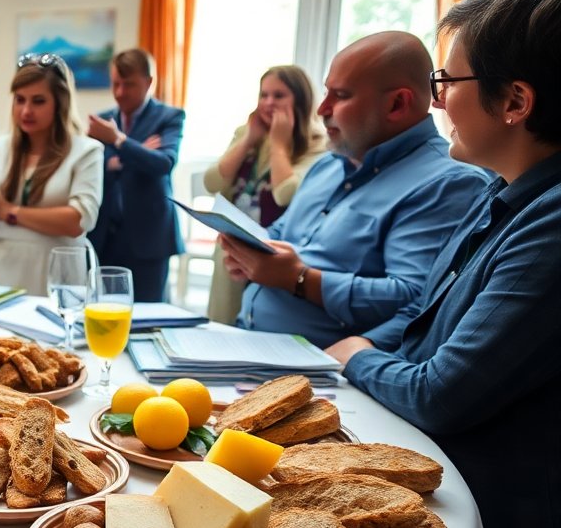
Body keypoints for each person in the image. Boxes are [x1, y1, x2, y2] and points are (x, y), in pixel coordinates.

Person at [328, 0, 561, 528]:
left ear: (514, 101)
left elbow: (440, 394)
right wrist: (367, 347)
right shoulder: (501, 191)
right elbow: (425, 312)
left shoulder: (553, 222)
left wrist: (354, 356)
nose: (436, 101)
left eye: (445, 80)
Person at [221, 31, 488, 349]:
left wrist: (299, 279)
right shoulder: (327, 165)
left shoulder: (449, 184)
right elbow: (280, 233)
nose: (322, 109)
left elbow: (417, 303)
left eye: (341, 95)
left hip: (328, 376)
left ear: (396, 104)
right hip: (247, 343)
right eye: (325, 92)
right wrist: (250, 253)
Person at [0, 54, 102, 292]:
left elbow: (78, 220)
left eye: (38, 101)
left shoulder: (86, 150)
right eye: (20, 100)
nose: (26, 110)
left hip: (57, 274)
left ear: (60, 103)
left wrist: (9, 212)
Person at [204, 66, 326, 323]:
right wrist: (248, 140)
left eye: (279, 95)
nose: (268, 103)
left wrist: (279, 145)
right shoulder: (246, 134)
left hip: (276, 257)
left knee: (260, 324)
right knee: (223, 323)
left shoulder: (318, 144)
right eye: (264, 95)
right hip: (232, 248)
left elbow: (286, 195)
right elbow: (212, 183)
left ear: (301, 100)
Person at [86, 49, 185, 302]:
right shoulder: (103, 120)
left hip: (147, 239)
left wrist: (118, 141)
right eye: (115, 84)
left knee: (148, 319)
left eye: (128, 84)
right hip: (105, 236)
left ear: (148, 82)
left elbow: (163, 163)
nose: (120, 92)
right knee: (102, 314)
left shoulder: (169, 117)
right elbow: (91, 167)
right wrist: (136, 152)